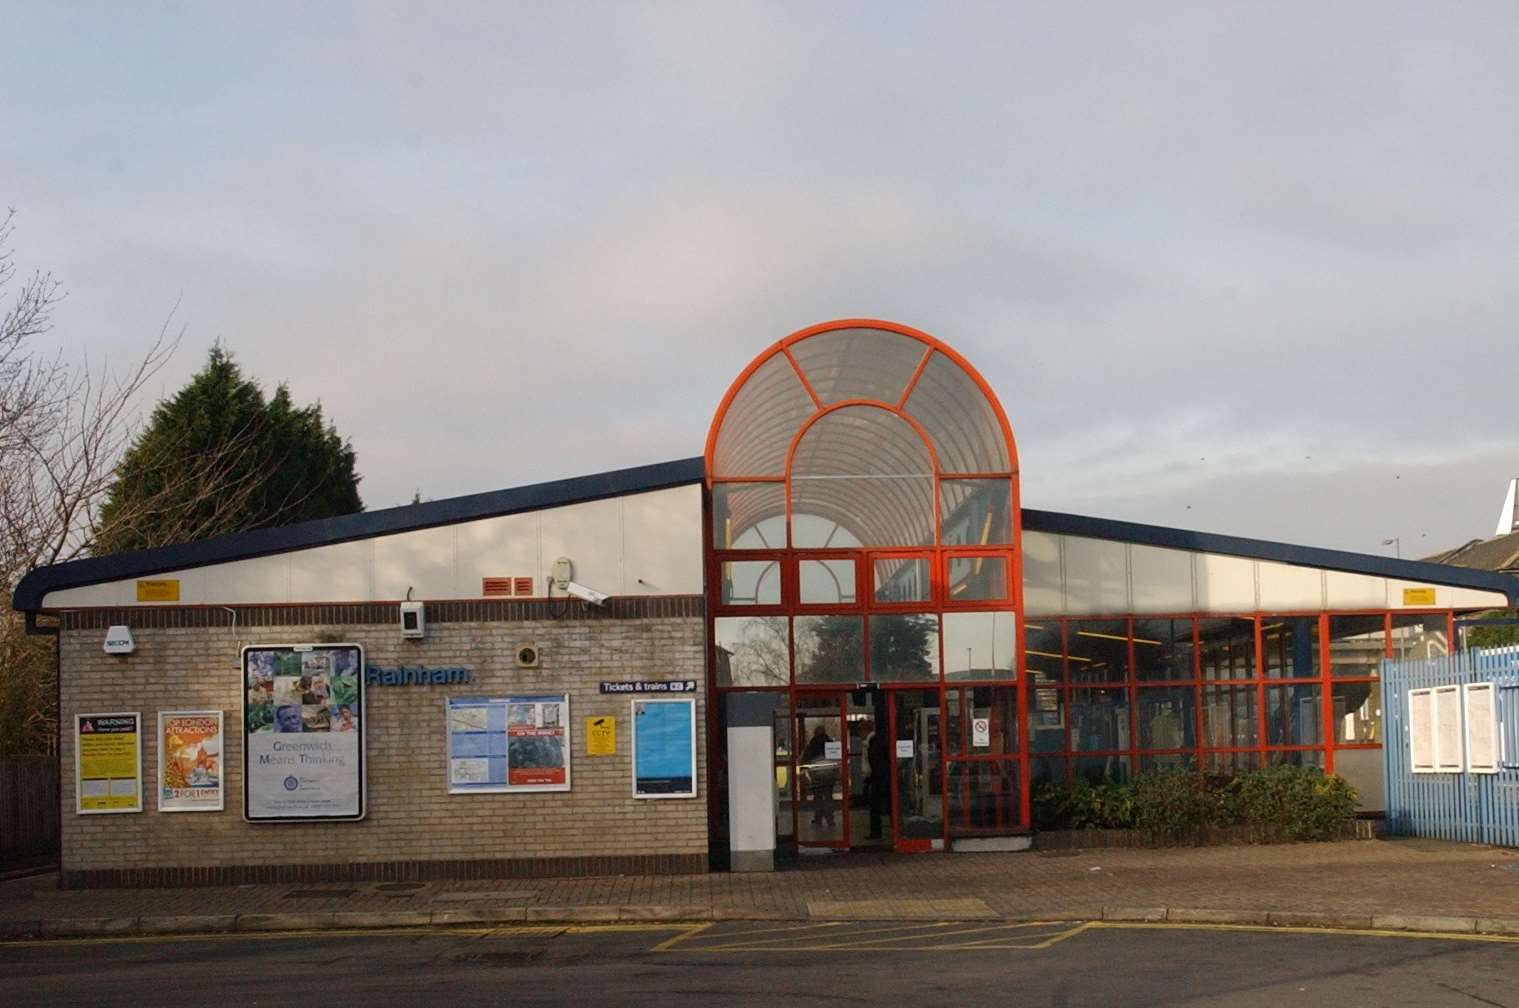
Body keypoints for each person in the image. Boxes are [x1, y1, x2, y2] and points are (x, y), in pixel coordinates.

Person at [799, 724, 835, 828]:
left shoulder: (811, 744)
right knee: (828, 797)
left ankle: (818, 819)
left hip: (816, 775)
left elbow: (804, 759)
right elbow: (836, 759)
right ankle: (830, 819)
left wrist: (804, 771)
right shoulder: (830, 743)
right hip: (829, 775)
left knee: (818, 798)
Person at [864, 719, 890, 840]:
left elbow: (875, 763)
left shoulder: (873, 742)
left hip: (877, 778)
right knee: (876, 806)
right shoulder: (875, 741)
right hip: (878, 777)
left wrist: (872, 778)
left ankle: (876, 832)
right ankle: (876, 832)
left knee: (875, 806)